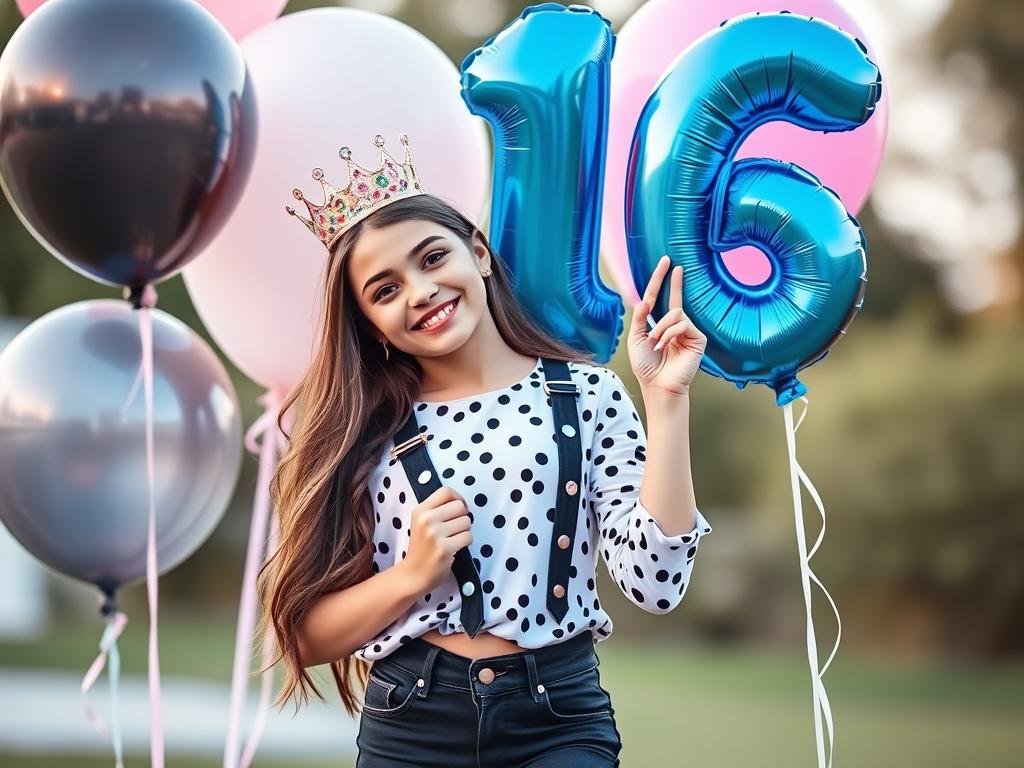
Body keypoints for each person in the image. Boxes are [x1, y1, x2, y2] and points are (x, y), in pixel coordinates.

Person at [257, 133, 713, 767]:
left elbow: (657, 585)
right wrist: (411, 575)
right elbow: (304, 637)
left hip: (558, 721)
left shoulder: (585, 395)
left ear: (478, 252)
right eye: (384, 290)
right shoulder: (360, 432)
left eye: (432, 257)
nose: (419, 291)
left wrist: (666, 403)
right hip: (409, 726)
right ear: (367, 322)